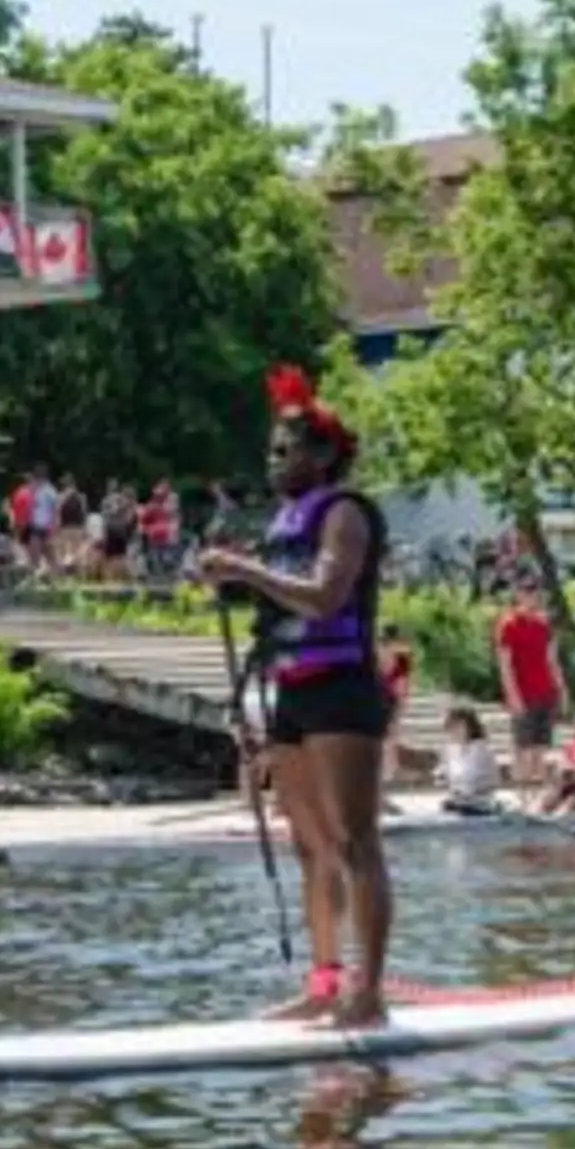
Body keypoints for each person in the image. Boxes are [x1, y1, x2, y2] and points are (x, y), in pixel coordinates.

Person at [199, 365, 392, 1029]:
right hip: (292, 691)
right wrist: (231, 582)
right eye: (271, 451)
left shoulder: (345, 514)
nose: (274, 462)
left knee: (356, 842)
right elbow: (277, 598)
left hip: (343, 692)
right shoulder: (287, 520)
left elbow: (325, 595)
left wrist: (244, 568)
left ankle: (368, 997)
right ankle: (324, 984)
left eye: (286, 452)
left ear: (324, 456)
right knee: (310, 847)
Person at [495, 578, 565, 789]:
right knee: (522, 748)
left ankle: (538, 795)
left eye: (535, 593)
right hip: (524, 693)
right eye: (527, 592)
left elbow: (552, 660)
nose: (532, 597)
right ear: (518, 595)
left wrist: (562, 689)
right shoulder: (509, 624)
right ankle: (522, 795)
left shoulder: (544, 625)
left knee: (541, 748)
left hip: (546, 692)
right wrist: (513, 696)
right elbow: (505, 665)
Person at [438, 708, 499, 814]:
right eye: (452, 727)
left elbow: (488, 780)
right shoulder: (450, 750)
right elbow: (444, 774)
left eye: (459, 727)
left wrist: (467, 792)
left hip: (479, 801)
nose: (455, 731)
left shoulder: (481, 749)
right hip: (458, 799)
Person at [379, 625, 414, 786]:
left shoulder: (402, 661)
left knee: (391, 737)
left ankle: (388, 777)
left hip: (389, 696)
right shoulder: (374, 654)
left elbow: (402, 689)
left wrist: (399, 712)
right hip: (373, 694)